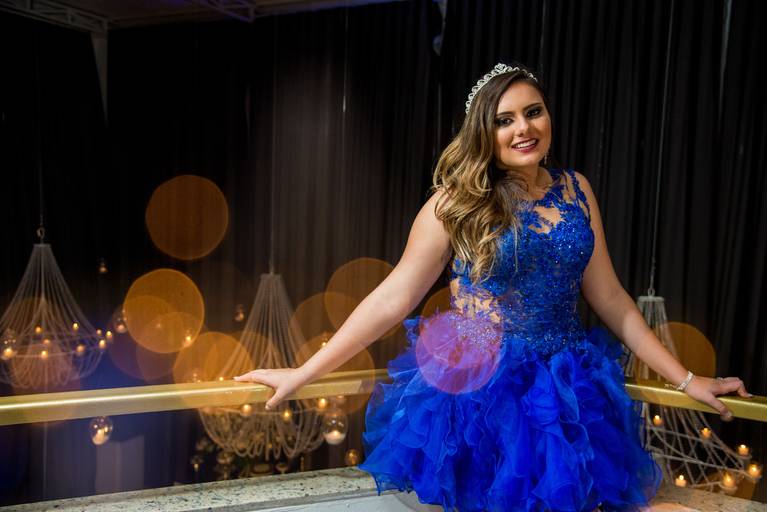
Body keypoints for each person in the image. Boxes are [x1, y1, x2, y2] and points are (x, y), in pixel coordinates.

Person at [235, 62, 752, 511]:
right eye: (504, 120)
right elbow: (393, 298)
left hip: (569, 390)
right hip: (485, 394)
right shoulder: (454, 204)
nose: (523, 128)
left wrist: (687, 380)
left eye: (533, 112)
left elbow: (612, 300)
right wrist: (304, 372)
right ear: (484, 131)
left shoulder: (577, 189)